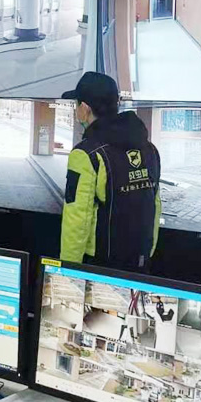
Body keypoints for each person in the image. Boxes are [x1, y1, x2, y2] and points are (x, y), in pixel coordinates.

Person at [60, 72, 162, 272]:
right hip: (140, 260)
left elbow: (77, 219)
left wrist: (67, 270)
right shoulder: (150, 150)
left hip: (100, 265)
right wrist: (146, 252)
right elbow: (155, 205)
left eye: (76, 105)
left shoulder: (86, 154)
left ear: (84, 109)